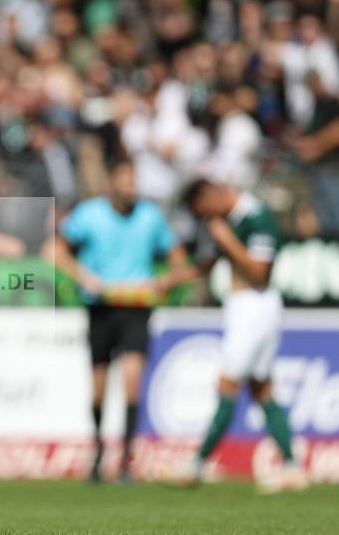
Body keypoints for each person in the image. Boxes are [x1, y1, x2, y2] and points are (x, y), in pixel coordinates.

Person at [54, 160, 188, 483]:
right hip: (100, 307)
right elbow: (56, 250)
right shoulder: (89, 214)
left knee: (131, 382)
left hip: (136, 307)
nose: (131, 187)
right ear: (111, 182)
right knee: (99, 387)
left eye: (134, 181)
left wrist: (166, 280)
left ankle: (127, 458)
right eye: (125, 180)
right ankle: (98, 451)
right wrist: (84, 277)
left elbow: (178, 259)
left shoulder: (150, 216)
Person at [178, 179, 307, 492]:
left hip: (255, 307)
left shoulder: (257, 217)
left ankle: (197, 463)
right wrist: (167, 282)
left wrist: (226, 240)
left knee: (228, 382)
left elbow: (259, 271)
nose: (207, 219)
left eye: (204, 211)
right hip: (245, 307)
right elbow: (207, 264)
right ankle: (291, 468)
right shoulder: (233, 221)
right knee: (262, 389)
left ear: (212, 195)